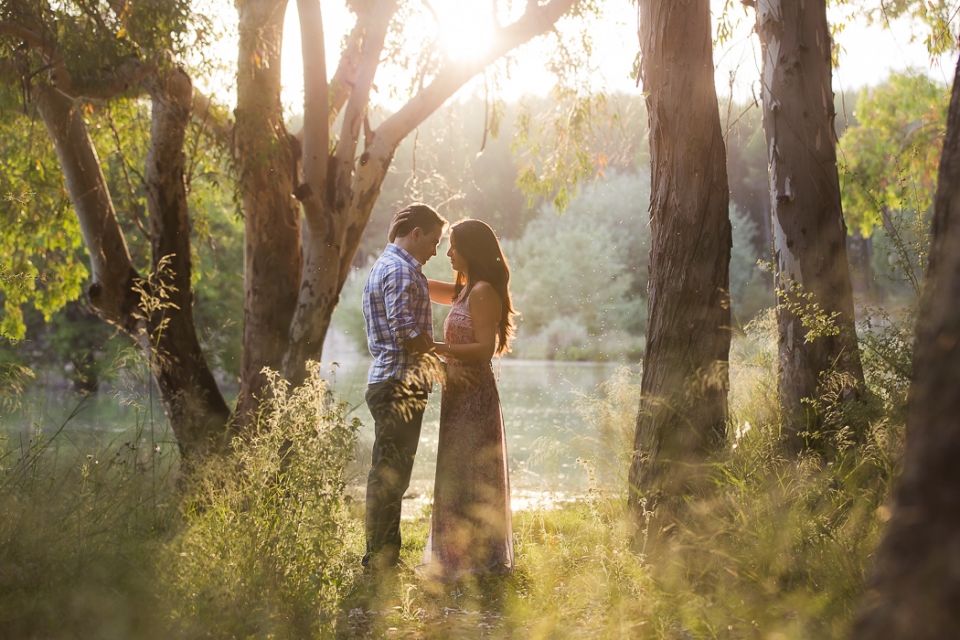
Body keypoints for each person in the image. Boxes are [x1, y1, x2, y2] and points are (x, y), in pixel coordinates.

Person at [389, 215, 516, 582]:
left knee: (472, 472)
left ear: (470, 251)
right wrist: (395, 257)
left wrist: (438, 347)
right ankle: (454, 554)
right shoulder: (463, 289)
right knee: (455, 471)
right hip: (456, 394)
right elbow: (423, 285)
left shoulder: (481, 293)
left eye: (454, 246)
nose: (447, 252)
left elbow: (484, 350)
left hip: (474, 393)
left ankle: (478, 558)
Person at [361, 203, 447, 573]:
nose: (435, 250)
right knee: (389, 474)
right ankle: (379, 558)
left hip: (390, 380)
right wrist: (437, 365)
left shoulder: (388, 266)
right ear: (416, 234)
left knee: (391, 472)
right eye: (434, 241)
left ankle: (384, 554)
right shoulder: (399, 269)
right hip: (399, 384)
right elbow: (404, 327)